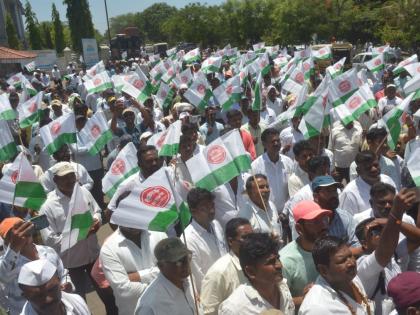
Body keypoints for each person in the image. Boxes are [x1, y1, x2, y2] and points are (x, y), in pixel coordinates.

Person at [39, 162, 102, 299]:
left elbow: (97, 211)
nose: (70, 180)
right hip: (71, 265)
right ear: (55, 180)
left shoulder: (83, 191)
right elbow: (50, 240)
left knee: (108, 295)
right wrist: (80, 234)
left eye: (72, 176)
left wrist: (97, 220)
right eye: (64, 177)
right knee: (78, 300)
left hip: (94, 256)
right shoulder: (46, 206)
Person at [355, 186, 420, 315]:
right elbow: (383, 252)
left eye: (383, 229)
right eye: (375, 231)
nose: (382, 234)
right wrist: (395, 214)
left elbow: (418, 239)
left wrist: (394, 222)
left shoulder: (393, 254)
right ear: (364, 243)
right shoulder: (362, 266)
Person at [0, 218, 72, 315]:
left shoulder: (48, 251)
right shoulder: (7, 263)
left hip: (59, 309)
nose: (21, 234)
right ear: (6, 241)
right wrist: (14, 248)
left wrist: (66, 283)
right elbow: (3, 276)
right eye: (14, 234)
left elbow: (63, 273)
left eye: (24, 228)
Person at [100, 220, 167, 315]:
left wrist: (138, 276)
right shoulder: (109, 249)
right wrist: (165, 285)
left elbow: (171, 268)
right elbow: (123, 290)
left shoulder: (158, 233)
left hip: (166, 308)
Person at [218, 233, 295, 315]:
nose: (279, 265)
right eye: (271, 262)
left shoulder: (283, 288)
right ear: (251, 271)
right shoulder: (234, 309)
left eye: (278, 258)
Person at [298, 236, 373, 315]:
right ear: (323, 270)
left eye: (350, 256)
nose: (351, 263)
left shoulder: (353, 279)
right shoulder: (316, 308)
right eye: (342, 261)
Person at [280, 201, 331, 308]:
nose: (323, 226)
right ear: (299, 229)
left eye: (324, 219)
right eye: (315, 222)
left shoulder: (330, 247)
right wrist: (305, 299)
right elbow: (279, 302)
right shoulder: (285, 260)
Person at [134, 238, 200, 315]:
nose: (186, 264)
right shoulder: (149, 306)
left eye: (187, 258)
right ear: (161, 266)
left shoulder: (189, 279)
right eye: (178, 262)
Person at [201, 218, 253, 315]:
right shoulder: (219, 272)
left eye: (253, 237)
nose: (250, 242)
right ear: (230, 241)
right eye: (245, 238)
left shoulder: (257, 263)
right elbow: (209, 312)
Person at [184, 188, 227, 292]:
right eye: (205, 208)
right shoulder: (188, 239)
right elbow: (198, 277)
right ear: (193, 211)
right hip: (213, 292)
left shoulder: (216, 225)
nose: (211, 211)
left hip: (229, 281)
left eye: (212, 205)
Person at [18, 259, 90, 315]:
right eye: (38, 296)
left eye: (52, 290)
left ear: (59, 283)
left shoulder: (77, 301)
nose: (48, 299)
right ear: (26, 296)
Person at [107, 145, 163, 214]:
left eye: (156, 160)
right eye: (149, 161)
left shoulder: (165, 176)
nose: (154, 163)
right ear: (140, 164)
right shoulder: (127, 185)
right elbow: (110, 211)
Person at [340, 151, 396, 216]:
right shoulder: (349, 192)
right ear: (359, 171)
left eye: (376, 165)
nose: (374, 169)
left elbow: (398, 207)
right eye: (368, 168)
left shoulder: (388, 180)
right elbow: (347, 221)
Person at [311, 175, 360, 249]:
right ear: (316, 197)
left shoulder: (345, 217)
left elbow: (356, 245)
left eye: (334, 190)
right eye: (328, 191)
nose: (334, 195)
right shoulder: (308, 221)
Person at [252, 128, 295, 211]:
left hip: (287, 211)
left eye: (278, 141)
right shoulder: (255, 166)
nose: (276, 143)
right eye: (272, 141)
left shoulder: (288, 162)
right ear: (264, 144)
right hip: (268, 213)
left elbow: (292, 188)